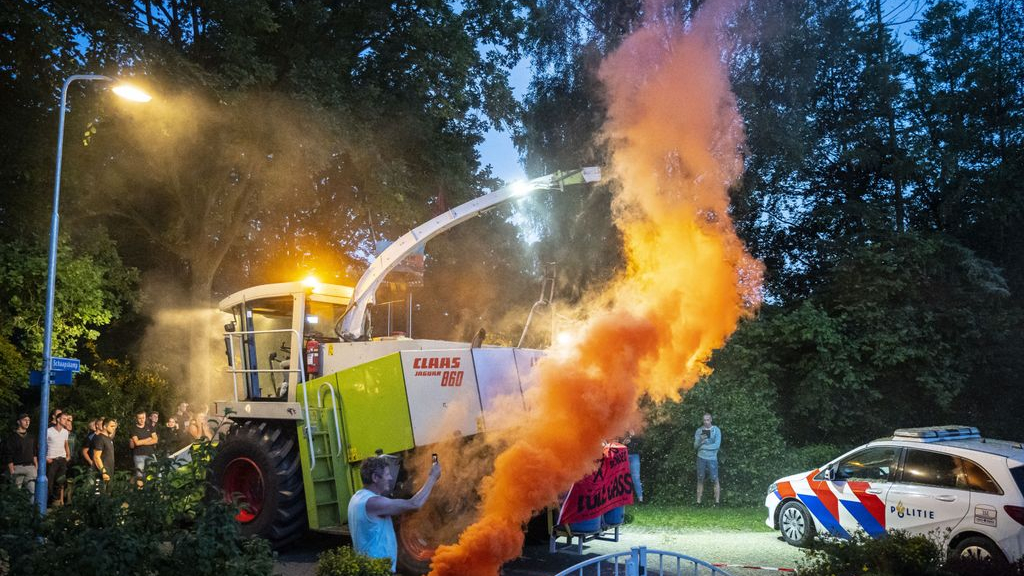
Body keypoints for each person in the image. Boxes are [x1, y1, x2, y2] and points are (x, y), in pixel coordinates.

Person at [347, 456, 441, 571]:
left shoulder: (357, 498)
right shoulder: (374, 503)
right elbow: (415, 504)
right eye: (387, 474)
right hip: (377, 570)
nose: (390, 478)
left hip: (370, 568)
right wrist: (432, 477)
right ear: (375, 477)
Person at [2, 413, 38, 498]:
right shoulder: (12, 438)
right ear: (18, 422)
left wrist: (36, 466)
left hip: (30, 468)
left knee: (32, 493)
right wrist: (11, 470)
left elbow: (34, 453)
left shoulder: (31, 437)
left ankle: (32, 511)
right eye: (25, 420)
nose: (27, 422)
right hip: (17, 468)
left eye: (28, 420)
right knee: (16, 494)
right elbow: (8, 454)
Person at [694, 413, 721, 505]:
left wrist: (704, 447)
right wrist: (700, 441)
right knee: (700, 478)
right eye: (704, 420)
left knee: (715, 479)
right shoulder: (699, 430)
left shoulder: (716, 430)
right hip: (701, 458)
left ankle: (717, 502)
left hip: (712, 458)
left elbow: (717, 445)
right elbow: (695, 446)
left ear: (711, 420)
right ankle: (698, 502)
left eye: (708, 420)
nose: (706, 422)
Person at [46, 411, 71, 505]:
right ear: (58, 419)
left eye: (67, 419)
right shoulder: (49, 431)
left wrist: (68, 456)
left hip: (62, 459)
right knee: (49, 482)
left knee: (60, 482)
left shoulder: (65, 432)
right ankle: (47, 502)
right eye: (64, 419)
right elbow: (41, 445)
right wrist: (45, 457)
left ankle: (55, 503)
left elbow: (66, 444)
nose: (66, 421)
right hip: (52, 459)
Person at [129, 410, 158, 484]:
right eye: (140, 418)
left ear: (146, 418)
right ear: (136, 418)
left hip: (150, 453)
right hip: (139, 454)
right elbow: (137, 443)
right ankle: (140, 493)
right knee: (140, 476)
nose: (142, 420)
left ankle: (155, 491)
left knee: (155, 472)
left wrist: (141, 441)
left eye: (143, 418)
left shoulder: (150, 426)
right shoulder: (133, 429)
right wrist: (148, 439)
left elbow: (155, 440)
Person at [91, 418, 117, 487]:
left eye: (114, 426)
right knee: (100, 495)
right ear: (105, 427)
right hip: (102, 474)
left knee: (108, 495)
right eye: (112, 426)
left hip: (109, 471)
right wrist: (103, 472)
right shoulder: (100, 438)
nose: (114, 428)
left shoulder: (108, 438)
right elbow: (96, 457)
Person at [624, 429, 644, 502]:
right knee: (624, 478)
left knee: (636, 477)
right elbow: (617, 444)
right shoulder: (621, 430)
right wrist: (624, 443)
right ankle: (626, 499)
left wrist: (633, 436)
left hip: (634, 455)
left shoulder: (637, 431)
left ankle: (640, 499)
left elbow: (641, 444)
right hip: (623, 455)